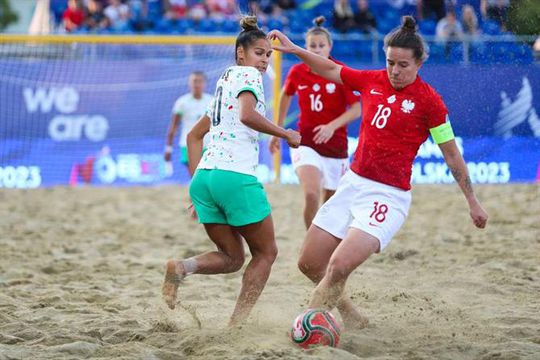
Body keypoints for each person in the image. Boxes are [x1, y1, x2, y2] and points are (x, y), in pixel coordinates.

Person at [268, 16, 488, 329]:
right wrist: (293, 50)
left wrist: (473, 201)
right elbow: (329, 68)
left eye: (403, 65)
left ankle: (310, 326)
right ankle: (352, 315)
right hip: (352, 184)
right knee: (309, 263)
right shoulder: (371, 80)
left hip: (388, 196)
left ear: (419, 63)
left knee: (339, 264)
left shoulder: (430, 103)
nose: (395, 71)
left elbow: (451, 154)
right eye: (390, 63)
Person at [162, 16, 301, 326]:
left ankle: (181, 267)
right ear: (242, 54)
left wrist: (196, 185)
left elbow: (193, 137)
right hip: (234, 176)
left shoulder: (224, 82)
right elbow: (249, 116)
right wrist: (286, 133)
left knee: (233, 258)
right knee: (266, 253)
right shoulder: (250, 78)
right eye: (259, 53)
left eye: (268, 55)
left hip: (205, 180)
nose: (264, 60)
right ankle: (235, 326)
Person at [269, 16, 361, 230]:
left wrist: (331, 126)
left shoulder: (340, 72)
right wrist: (278, 131)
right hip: (306, 142)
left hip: (336, 147)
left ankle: (321, 242)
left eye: (321, 46)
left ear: (330, 47)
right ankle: (311, 241)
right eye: (312, 46)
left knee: (329, 206)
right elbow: (285, 95)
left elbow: (357, 109)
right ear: (305, 48)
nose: (317, 50)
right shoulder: (298, 71)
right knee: (311, 194)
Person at [164, 71, 213, 171]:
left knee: (209, 178)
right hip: (188, 144)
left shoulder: (212, 101)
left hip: (209, 145)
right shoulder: (181, 102)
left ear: (204, 83)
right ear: (189, 83)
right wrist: (168, 148)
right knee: (195, 177)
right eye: (194, 81)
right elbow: (174, 126)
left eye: (200, 81)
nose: (197, 84)